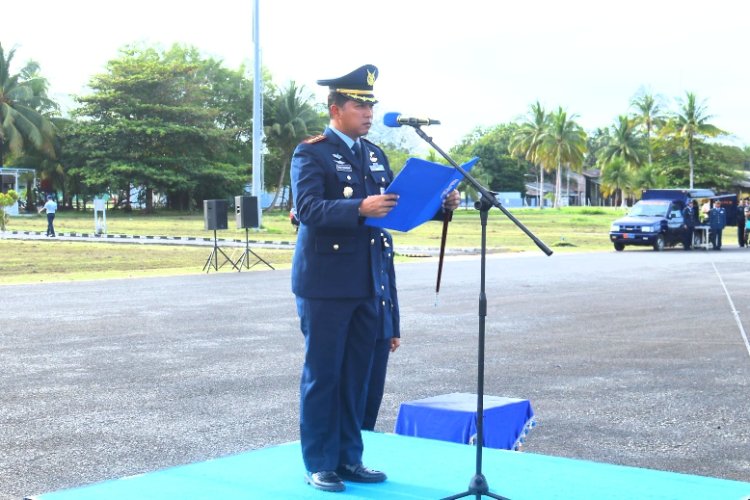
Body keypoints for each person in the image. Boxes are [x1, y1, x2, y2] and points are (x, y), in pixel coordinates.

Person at [290, 64, 460, 493]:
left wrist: (441, 206)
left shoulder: (374, 155)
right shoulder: (311, 153)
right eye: (359, 104)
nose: (367, 112)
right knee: (325, 374)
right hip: (327, 285)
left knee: (358, 378)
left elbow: (394, 213)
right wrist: (358, 209)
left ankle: (350, 457)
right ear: (336, 109)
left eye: (370, 104)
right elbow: (307, 210)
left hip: (370, 281)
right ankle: (319, 462)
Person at [362, 230, 399, 431]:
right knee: (357, 389)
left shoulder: (385, 237)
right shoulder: (358, 236)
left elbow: (390, 283)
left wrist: (394, 328)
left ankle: (367, 435)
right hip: (360, 323)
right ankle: (351, 440)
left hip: (382, 324)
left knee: (375, 391)